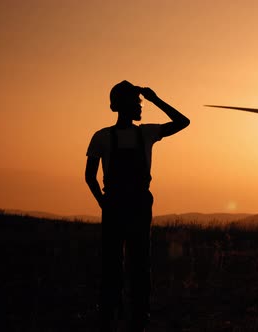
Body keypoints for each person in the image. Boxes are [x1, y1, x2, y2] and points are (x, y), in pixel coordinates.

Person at [85, 80, 189, 331]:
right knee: (130, 264)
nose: (141, 107)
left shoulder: (135, 133)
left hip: (128, 206)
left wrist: (104, 204)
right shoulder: (131, 134)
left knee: (127, 264)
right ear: (122, 106)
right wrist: (105, 205)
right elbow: (89, 176)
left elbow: (183, 122)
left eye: (142, 103)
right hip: (129, 206)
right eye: (137, 103)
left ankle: (126, 317)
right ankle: (124, 316)